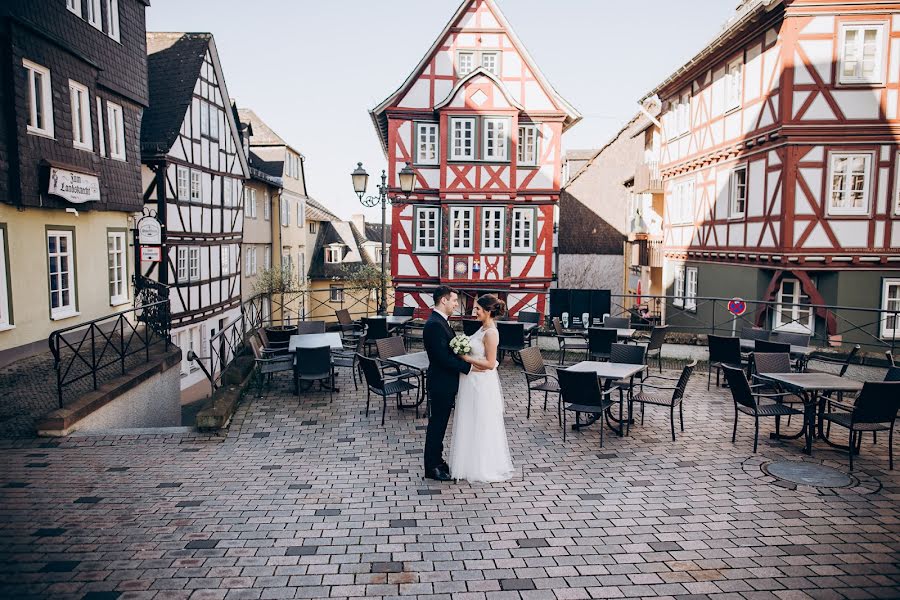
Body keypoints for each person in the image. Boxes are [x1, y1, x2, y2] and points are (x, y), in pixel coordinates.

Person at [448, 294, 514, 483]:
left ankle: (482, 466)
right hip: (471, 381)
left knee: (480, 422)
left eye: (477, 308)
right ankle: (468, 462)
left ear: (487, 311)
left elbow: (491, 363)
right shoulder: (482, 328)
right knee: (469, 420)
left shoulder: (491, 333)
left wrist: (466, 358)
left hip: (481, 383)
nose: (474, 311)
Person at [422, 286, 476, 482]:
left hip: (446, 382)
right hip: (440, 383)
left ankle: (438, 460)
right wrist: (467, 367)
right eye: (454, 300)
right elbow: (442, 358)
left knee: (441, 423)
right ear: (443, 300)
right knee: (437, 425)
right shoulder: (434, 325)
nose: (456, 304)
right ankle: (432, 467)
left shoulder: (441, 322)